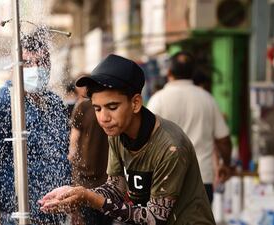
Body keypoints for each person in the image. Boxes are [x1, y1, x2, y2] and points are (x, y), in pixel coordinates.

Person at [39, 54, 216, 225]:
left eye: (112, 107)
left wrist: (89, 198)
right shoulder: (117, 133)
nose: (104, 118)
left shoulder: (170, 147)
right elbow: (116, 188)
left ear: (136, 103)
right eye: (97, 108)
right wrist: (77, 194)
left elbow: (153, 219)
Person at [0, 27, 72, 225]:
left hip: (54, 218)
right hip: (15, 219)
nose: (35, 68)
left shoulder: (55, 104)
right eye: (26, 63)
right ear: (13, 67)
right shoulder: (2, 104)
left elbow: (65, 157)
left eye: (41, 62)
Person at [146, 51, 233, 203]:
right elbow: (224, 140)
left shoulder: (157, 100)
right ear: (192, 73)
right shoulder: (207, 99)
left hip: (165, 179)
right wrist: (225, 164)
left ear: (169, 72)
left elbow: (145, 142)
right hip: (201, 178)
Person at [68, 91, 112, 225]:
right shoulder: (112, 109)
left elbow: (74, 140)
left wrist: (71, 156)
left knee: (89, 220)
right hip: (108, 179)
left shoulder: (83, 107)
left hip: (86, 178)